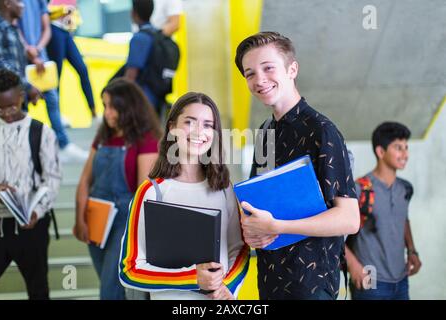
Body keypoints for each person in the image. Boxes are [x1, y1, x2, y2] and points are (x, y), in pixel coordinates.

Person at [234, 31, 360, 300]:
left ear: (292, 69)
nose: (260, 80)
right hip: (269, 280)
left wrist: (276, 226)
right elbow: (261, 206)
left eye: (268, 68)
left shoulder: (322, 131)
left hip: (310, 285)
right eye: (250, 73)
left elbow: (350, 219)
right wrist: (252, 231)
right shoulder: (265, 131)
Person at [118, 92, 250, 300]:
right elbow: (130, 269)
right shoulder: (151, 192)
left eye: (208, 125)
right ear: (172, 128)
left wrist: (227, 286)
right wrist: (193, 277)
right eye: (190, 122)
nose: (200, 132)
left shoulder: (224, 190)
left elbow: (239, 250)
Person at [73, 78, 161, 300]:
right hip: (95, 216)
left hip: (125, 220)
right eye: (105, 106)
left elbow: (143, 193)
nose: (107, 113)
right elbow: (85, 181)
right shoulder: (103, 137)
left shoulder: (146, 140)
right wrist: (79, 218)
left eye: (113, 107)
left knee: (109, 291)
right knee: (109, 284)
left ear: (129, 107)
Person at [0, 69, 61, 300]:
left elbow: (52, 179)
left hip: (32, 225)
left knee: (38, 289)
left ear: (21, 97)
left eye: (11, 106)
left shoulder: (41, 132)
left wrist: (37, 210)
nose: (6, 114)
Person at [345, 122, 421, 300]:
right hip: (370, 281)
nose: (405, 154)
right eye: (398, 148)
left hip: (401, 281)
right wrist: (353, 265)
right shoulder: (359, 189)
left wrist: (412, 250)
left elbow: (403, 219)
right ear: (380, 152)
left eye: (406, 148)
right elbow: (335, 233)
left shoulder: (405, 189)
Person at [17, 0, 88, 163]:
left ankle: (63, 144)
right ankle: (23, 150)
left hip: (40, 57)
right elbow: (12, 24)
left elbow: (46, 26)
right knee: (21, 104)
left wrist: (37, 50)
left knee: (52, 99)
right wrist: (29, 50)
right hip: (21, 58)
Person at [46, 0, 97, 120]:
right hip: (54, 30)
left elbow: (75, 12)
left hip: (66, 32)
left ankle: (94, 112)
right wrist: (62, 10)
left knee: (83, 69)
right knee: (57, 76)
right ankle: (57, 117)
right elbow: (45, 9)